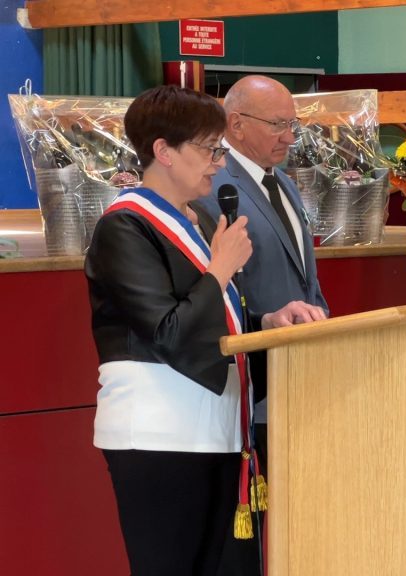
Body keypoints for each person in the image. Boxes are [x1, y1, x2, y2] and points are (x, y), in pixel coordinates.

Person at [85, 85, 321, 576]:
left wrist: (266, 324)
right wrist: (219, 271)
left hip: (218, 430)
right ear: (163, 151)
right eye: (209, 148)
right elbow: (168, 331)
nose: (218, 161)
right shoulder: (124, 227)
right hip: (158, 436)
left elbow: (216, 322)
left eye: (219, 149)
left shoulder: (201, 218)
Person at [199, 75, 329, 464]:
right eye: (278, 125)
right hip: (253, 383)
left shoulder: (284, 184)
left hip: (301, 373)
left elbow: (306, 276)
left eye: (293, 125)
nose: (289, 137)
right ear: (236, 124)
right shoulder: (213, 189)